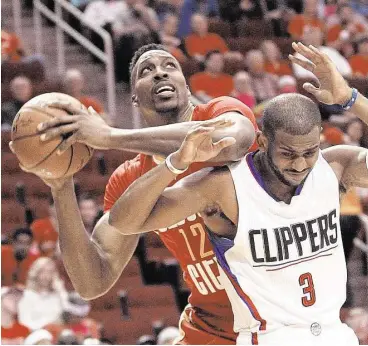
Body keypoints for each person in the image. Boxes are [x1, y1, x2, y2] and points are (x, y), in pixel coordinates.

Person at [104, 42, 368, 344]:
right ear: (262, 141)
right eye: (288, 153)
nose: (299, 164)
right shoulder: (224, 187)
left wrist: (350, 98)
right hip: (267, 337)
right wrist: (171, 164)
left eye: (309, 152)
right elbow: (125, 222)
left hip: (334, 332)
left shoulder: (331, 169)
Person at [14, 43, 257, 344]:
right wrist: (61, 186)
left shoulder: (219, 111)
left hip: (273, 310)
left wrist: (112, 137)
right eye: (147, 71)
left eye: (170, 66)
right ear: (133, 96)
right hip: (211, 325)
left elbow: (234, 140)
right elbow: (92, 281)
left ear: (185, 82)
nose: (159, 74)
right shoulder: (129, 178)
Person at [18, 257, 69, 330]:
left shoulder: (57, 295)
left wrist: (61, 290)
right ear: (35, 273)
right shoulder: (26, 296)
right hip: (37, 334)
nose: (46, 276)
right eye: (42, 271)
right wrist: (47, 325)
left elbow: (67, 311)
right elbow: (24, 323)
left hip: (57, 333)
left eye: (50, 272)